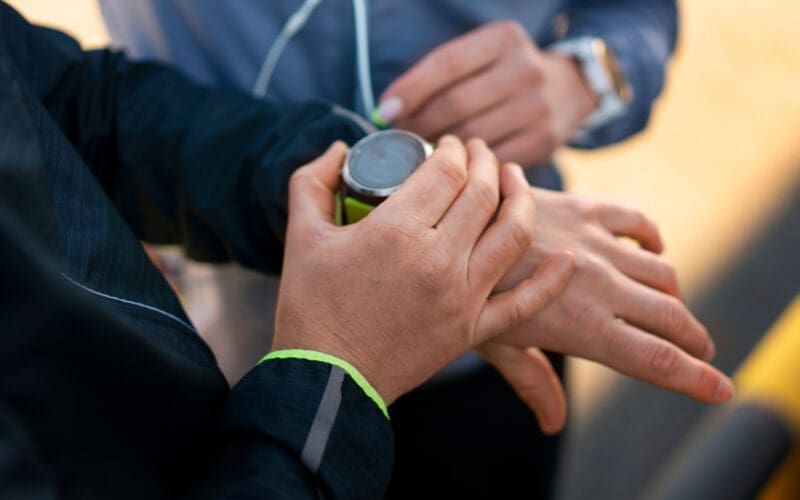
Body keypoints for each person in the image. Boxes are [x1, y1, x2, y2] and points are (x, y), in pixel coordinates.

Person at [1, 3, 732, 497]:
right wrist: (333, 373)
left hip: (512, 312)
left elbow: (70, 97)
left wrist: (587, 75)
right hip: (228, 362)